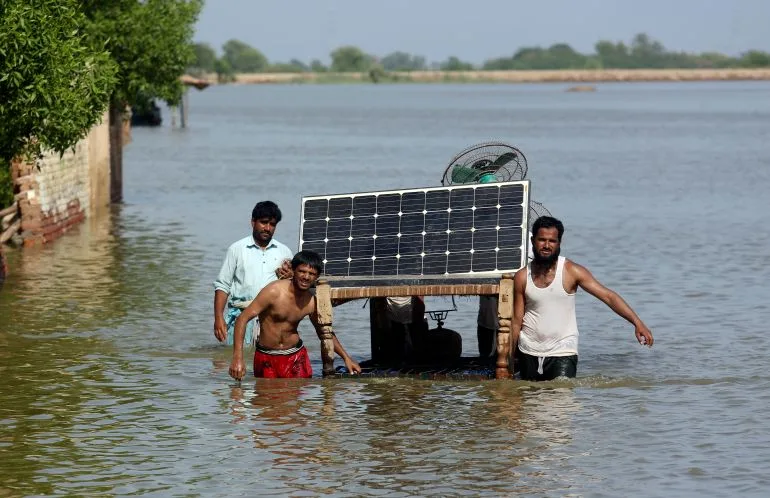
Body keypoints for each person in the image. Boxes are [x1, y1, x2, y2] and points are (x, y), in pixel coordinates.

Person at [511, 216, 654, 381]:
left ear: (559, 243)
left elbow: (608, 296)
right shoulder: (522, 276)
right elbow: (516, 320)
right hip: (528, 350)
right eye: (542, 240)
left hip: (563, 352)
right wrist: (508, 358)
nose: (546, 245)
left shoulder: (572, 271)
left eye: (552, 241)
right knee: (529, 400)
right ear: (533, 241)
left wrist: (637, 323)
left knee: (561, 399)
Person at [228, 250, 362, 380]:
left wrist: (346, 358)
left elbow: (325, 332)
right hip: (266, 356)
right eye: (302, 271)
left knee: (295, 400)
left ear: (316, 277)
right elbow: (242, 319)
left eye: (311, 273)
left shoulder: (311, 302)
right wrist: (237, 358)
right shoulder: (273, 291)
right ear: (293, 271)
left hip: (295, 357)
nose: (306, 277)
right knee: (265, 400)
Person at [214, 201, 294, 347]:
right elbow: (222, 285)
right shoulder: (237, 249)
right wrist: (218, 318)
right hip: (241, 315)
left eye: (272, 224)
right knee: (236, 361)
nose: (267, 228)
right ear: (253, 222)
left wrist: (290, 277)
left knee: (269, 362)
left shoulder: (284, 252)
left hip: (272, 319)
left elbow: (292, 289)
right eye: (263, 223)